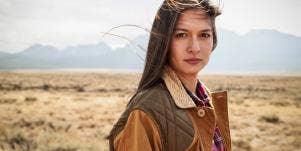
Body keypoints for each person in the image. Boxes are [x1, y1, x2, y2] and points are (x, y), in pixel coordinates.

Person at [107, 0, 231, 150]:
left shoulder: (207, 101)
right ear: (164, 40)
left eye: (204, 35)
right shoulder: (145, 111)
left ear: (214, 41)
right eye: (181, 35)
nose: (195, 48)